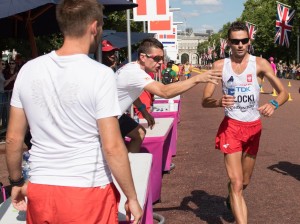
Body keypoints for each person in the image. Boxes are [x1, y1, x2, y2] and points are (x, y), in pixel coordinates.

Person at [5, 1, 142, 223]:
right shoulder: (100, 74)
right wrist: (132, 196)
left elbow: (13, 139)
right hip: (87, 188)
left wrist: (16, 182)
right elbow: (113, 146)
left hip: (41, 187)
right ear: (94, 27)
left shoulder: (28, 70)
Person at [202, 21, 288, 224]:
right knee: (237, 182)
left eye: (244, 40)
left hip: (253, 128)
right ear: (228, 43)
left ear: (249, 41)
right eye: (235, 41)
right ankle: (235, 193)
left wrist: (274, 104)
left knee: (245, 181)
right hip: (231, 127)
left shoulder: (260, 64)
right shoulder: (219, 66)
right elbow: (205, 101)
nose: (240, 45)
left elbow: (283, 92)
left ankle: (231, 194)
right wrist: (218, 102)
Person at [116, 37, 222, 153]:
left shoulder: (132, 68)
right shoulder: (135, 73)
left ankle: (131, 164)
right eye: (157, 58)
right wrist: (197, 78)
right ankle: (126, 166)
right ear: (142, 57)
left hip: (116, 114)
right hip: (109, 118)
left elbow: (132, 93)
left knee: (139, 133)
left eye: (161, 58)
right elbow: (164, 92)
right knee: (116, 153)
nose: (161, 62)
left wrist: (144, 112)